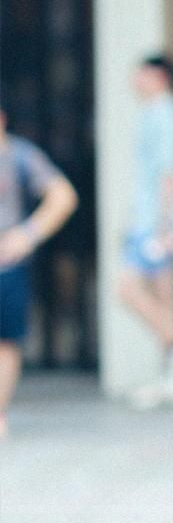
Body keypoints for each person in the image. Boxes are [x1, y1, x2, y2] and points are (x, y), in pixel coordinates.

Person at [116, 54, 173, 409]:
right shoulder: (159, 114)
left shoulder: (165, 115)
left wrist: (164, 226)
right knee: (163, 295)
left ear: (158, 76)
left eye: (140, 73)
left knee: (128, 289)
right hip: (154, 220)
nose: (134, 80)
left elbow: (170, 175)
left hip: (156, 223)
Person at [0, 100, 79, 437]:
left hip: (5, 263)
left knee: (5, 341)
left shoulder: (20, 155)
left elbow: (63, 196)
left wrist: (27, 235)